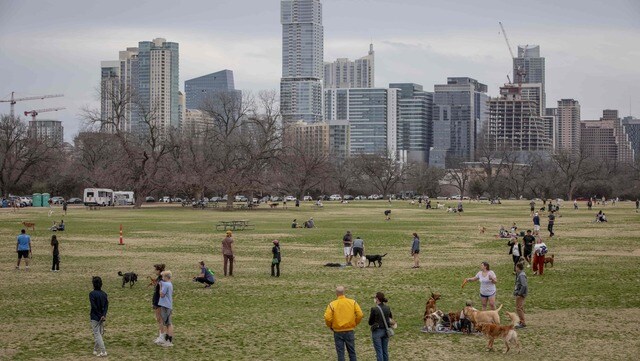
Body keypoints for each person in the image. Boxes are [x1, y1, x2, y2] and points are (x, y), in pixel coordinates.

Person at [324, 286, 363, 361]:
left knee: (340, 353)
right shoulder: (352, 302)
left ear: (336, 294)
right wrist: (355, 323)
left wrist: (330, 325)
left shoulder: (332, 304)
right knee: (352, 352)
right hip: (349, 330)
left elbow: (327, 317)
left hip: (338, 331)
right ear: (344, 292)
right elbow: (360, 314)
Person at [368, 292, 393, 361]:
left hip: (377, 331)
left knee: (379, 352)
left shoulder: (374, 309)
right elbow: (390, 318)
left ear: (377, 299)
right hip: (386, 331)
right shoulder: (387, 308)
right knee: (385, 351)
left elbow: (370, 322)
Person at [89, 276, 108, 357]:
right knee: (99, 333)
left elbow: (94, 306)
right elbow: (107, 305)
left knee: (97, 334)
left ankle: (103, 351)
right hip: (102, 317)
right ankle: (95, 350)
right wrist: (103, 315)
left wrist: (100, 315)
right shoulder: (104, 294)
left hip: (95, 317)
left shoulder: (92, 294)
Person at [158, 270, 174, 347]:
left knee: (168, 324)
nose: (162, 278)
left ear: (166, 277)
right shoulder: (170, 284)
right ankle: (168, 339)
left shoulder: (166, 285)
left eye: (163, 276)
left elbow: (161, 294)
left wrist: (160, 286)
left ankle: (169, 341)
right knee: (168, 323)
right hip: (168, 305)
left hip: (166, 306)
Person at [152, 263, 166, 345]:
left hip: (159, 301)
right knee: (158, 319)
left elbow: (161, 291)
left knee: (159, 319)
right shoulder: (159, 278)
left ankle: (162, 336)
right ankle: (161, 335)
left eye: (155, 270)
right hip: (156, 300)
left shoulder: (161, 279)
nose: (154, 271)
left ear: (159, 270)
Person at [513, 262, 528, 328]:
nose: (515, 268)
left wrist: (519, 293)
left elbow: (524, 285)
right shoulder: (520, 274)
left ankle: (522, 322)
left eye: (516, 267)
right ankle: (522, 321)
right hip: (520, 293)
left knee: (519, 308)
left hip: (520, 294)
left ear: (518, 268)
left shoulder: (521, 275)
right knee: (520, 307)